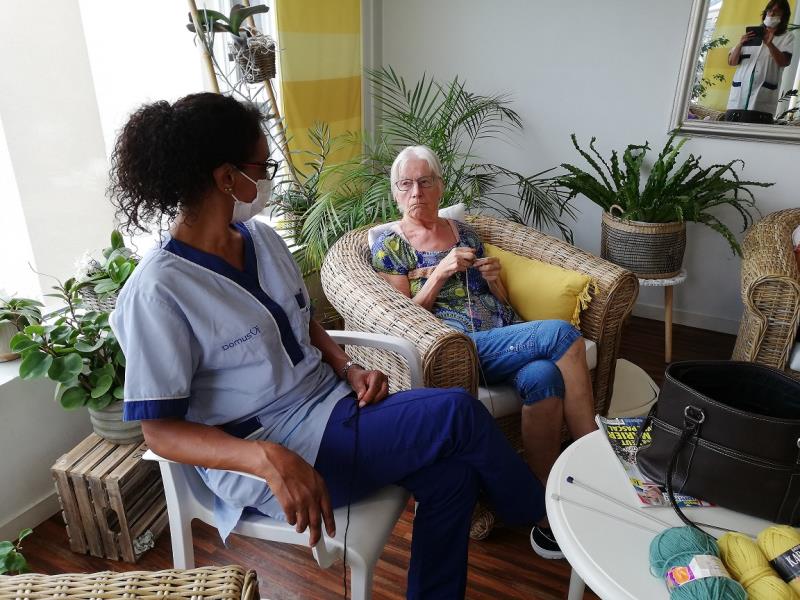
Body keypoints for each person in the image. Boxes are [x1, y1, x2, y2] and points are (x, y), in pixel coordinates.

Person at [107, 92, 555, 599]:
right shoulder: (159, 291)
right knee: (458, 413)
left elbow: (301, 320)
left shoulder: (260, 239)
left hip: (334, 406)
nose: (269, 179)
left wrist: (347, 366)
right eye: (263, 166)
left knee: (452, 478)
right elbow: (160, 432)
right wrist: (266, 459)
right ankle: (541, 515)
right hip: (278, 450)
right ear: (226, 177)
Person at [371, 145, 599, 555]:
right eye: (405, 185)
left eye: (424, 182)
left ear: (440, 186)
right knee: (562, 335)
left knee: (544, 376)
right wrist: (439, 273)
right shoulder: (391, 245)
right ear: (395, 193)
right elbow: (402, 317)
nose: (416, 192)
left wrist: (495, 281)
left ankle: (545, 498)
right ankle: (594, 454)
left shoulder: (465, 234)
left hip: (503, 336)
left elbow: (503, 304)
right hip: (459, 348)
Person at [726, 0, 794, 124]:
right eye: (769, 10)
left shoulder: (787, 37)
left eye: (776, 12)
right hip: (736, 101)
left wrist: (770, 44)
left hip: (762, 103)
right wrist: (740, 44)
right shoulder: (751, 35)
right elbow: (731, 62)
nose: (771, 14)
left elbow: (784, 62)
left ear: (783, 16)